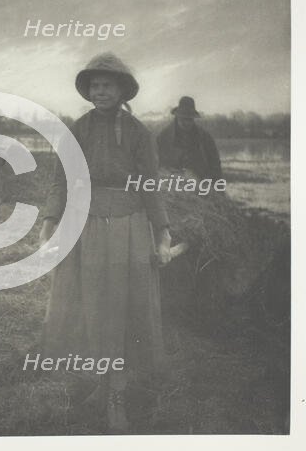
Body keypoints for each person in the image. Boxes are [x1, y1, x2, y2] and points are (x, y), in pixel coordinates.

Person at [39, 52, 171, 433]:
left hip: (129, 231)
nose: (100, 92)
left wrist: (162, 235)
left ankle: (117, 395)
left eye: (107, 86)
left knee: (123, 310)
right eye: (95, 86)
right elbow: (61, 181)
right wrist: (48, 223)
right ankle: (100, 382)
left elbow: (151, 188)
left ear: (121, 90)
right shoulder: (76, 130)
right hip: (85, 229)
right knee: (89, 307)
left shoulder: (139, 134)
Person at [156, 96, 222, 180]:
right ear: (177, 117)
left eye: (189, 119)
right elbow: (156, 165)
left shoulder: (205, 137)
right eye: (183, 119)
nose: (187, 123)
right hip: (172, 184)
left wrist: (218, 188)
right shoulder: (163, 137)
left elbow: (215, 164)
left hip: (200, 184)